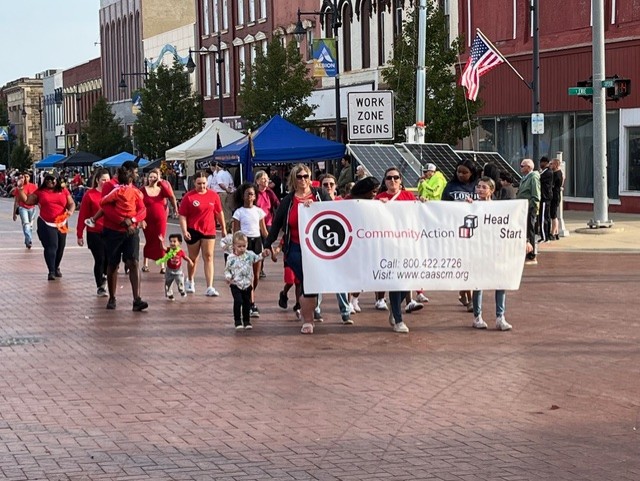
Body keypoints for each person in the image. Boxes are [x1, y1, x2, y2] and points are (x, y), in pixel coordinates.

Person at [263, 164, 331, 334]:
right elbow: (276, 225)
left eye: (305, 176)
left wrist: (316, 207)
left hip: (318, 248)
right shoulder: (288, 201)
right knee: (307, 281)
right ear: (294, 179)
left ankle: (309, 314)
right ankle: (308, 320)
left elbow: (335, 212)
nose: (303, 180)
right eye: (299, 177)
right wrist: (267, 245)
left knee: (312, 283)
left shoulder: (320, 195)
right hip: (295, 247)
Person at [375, 167, 422, 333]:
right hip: (389, 246)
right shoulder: (379, 198)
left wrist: (423, 204)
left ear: (401, 180)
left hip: (407, 245)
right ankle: (398, 319)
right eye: (389, 178)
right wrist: (378, 207)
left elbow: (418, 215)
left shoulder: (408, 196)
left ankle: (394, 307)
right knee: (396, 282)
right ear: (385, 181)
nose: (393, 181)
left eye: (396, 177)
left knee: (408, 281)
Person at [466, 177, 514, 331]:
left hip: (496, 250)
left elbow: (511, 225)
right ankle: (477, 316)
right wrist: (467, 207)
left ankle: (500, 317)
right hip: (478, 250)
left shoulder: (499, 208)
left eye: (484, 187)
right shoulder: (472, 206)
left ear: (491, 190)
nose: (480, 190)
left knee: (500, 282)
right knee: (478, 284)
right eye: (478, 186)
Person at [101, 164, 148, 311]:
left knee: (133, 262)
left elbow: (142, 208)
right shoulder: (110, 186)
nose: (136, 175)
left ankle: (137, 299)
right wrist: (121, 220)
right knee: (113, 263)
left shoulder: (134, 190)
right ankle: (112, 297)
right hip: (113, 230)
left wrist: (133, 220)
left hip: (131, 230)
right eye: (135, 172)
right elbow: (105, 207)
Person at [14, 173, 75, 280]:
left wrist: (70, 211)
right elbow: (27, 200)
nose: (49, 181)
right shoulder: (40, 192)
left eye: (52, 179)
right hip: (46, 223)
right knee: (52, 246)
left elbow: (71, 203)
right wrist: (20, 188)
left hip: (62, 223)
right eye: (47, 179)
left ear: (57, 180)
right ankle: (51, 271)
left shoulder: (64, 190)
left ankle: (56, 267)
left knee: (60, 247)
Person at [178, 171, 227, 297]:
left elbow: (219, 212)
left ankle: (209, 287)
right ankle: (190, 280)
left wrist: (223, 228)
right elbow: (182, 215)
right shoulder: (188, 197)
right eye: (199, 183)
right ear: (194, 183)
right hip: (193, 230)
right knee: (193, 258)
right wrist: (184, 230)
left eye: (204, 183)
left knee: (209, 256)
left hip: (209, 230)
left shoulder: (213, 195)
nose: (202, 186)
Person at [442, 158, 480, 308]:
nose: (461, 175)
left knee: (473, 265)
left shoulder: (478, 186)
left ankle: (464, 292)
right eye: (459, 171)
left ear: (472, 173)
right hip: (457, 231)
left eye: (465, 172)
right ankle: (470, 299)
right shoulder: (450, 186)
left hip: (476, 231)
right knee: (464, 264)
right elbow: (442, 207)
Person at [232, 182, 269, 317]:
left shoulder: (259, 211)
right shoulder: (239, 212)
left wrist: (271, 245)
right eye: (247, 194)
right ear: (242, 196)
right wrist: (235, 248)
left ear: (255, 196)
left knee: (256, 275)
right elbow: (236, 231)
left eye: (252, 194)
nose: (249, 196)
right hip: (244, 244)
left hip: (257, 242)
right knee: (248, 275)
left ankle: (248, 296)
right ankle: (251, 304)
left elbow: (264, 231)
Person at [224, 231, 269, 331]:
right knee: (238, 301)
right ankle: (237, 321)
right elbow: (227, 269)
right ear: (234, 246)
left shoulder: (249, 255)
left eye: (244, 246)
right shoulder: (231, 258)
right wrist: (228, 277)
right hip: (235, 284)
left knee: (246, 303)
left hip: (247, 284)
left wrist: (263, 254)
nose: (242, 248)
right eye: (239, 246)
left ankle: (246, 321)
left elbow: (257, 258)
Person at [76, 168, 110, 297]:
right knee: (100, 258)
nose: (105, 182)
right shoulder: (89, 195)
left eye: (108, 180)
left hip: (110, 231)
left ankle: (105, 276)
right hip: (94, 232)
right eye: (103, 180)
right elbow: (83, 215)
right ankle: (100, 285)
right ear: (97, 180)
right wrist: (79, 234)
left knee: (109, 259)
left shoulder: (113, 193)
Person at [140, 168, 179, 273]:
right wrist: (140, 219)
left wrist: (160, 182)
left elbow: (170, 195)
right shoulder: (143, 190)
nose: (152, 179)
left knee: (160, 239)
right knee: (149, 240)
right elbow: (138, 204)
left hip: (160, 219)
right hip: (147, 219)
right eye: (150, 177)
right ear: (147, 178)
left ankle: (162, 265)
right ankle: (145, 264)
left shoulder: (162, 189)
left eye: (154, 177)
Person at [254, 170, 280, 278]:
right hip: (255, 222)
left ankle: (261, 268)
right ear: (257, 181)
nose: (266, 181)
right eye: (263, 179)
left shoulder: (269, 192)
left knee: (266, 244)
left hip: (268, 221)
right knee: (257, 247)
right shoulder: (254, 193)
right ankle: (257, 268)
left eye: (267, 178)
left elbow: (277, 204)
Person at [156, 233, 194, 300]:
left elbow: (185, 257)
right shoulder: (169, 250)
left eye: (174, 241)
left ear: (179, 243)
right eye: (170, 241)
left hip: (178, 271)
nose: (172, 243)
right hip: (169, 271)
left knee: (180, 282)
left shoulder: (180, 251)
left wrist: (190, 261)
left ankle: (182, 290)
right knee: (168, 283)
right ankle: (170, 294)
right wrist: (161, 241)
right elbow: (163, 248)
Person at [517, 158, 541, 264]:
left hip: (530, 209)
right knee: (526, 230)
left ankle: (532, 255)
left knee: (530, 231)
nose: (520, 168)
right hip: (523, 208)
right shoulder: (524, 178)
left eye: (522, 166)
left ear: (529, 167)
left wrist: (532, 207)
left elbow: (536, 195)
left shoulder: (533, 177)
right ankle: (527, 252)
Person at [12, 171, 38, 249]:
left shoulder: (34, 186)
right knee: (26, 224)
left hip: (32, 208)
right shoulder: (19, 187)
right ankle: (29, 240)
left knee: (30, 226)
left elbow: (37, 198)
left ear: (29, 178)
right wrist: (14, 213)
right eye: (24, 177)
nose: (25, 178)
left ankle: (27, 241)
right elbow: (16, 201)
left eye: (27, 176)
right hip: (22, 208)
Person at [207, 163, 235, 231]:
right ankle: (229, 224)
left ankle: (226, 225)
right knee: (228, 209)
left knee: (222, 210)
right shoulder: (227, 173)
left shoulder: (219, 174)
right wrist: (229, 189)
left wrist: (226, 188)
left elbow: (220, 184)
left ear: (217, 167)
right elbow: (231, 183)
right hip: (228, 193)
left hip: (221, 193)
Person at [537, 157, 553, 243]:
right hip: (546, 197)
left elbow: (539, 178)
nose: (540, 164)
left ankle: (544, 237)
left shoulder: (547, 172)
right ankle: (547, 235)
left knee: (543, 218)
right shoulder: (546, 172)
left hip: (545, 197)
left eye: (541, 162)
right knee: (546, 217)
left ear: (546, 163)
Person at [550, 158, 564, 240]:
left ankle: (553, 232)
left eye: (551, 164)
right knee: (554, 214)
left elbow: (553, 185)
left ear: (555, 165)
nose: (550, 165)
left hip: (555, 196)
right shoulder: (560, 173)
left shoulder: (556, 174)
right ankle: (556, 232)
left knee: (553, 215)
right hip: (556, 195)